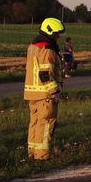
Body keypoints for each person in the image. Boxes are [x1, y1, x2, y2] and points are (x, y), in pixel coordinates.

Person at [24, 18, 66, 161]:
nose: (58, 37)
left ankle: (32, 153)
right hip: (45, 95)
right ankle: (42, 156)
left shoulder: (33, 46)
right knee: (46, 123)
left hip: (32, 93)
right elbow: (45, 74)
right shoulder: (46, 49)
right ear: (49, 32)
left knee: (35, 123)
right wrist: (55, 92)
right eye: (56, 34)